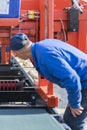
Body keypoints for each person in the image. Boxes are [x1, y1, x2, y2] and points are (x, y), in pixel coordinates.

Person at [7, 33, 87, 130]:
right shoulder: (42, 47)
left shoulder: (46, 56)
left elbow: (72, 79)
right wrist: (73, 99)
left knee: (73, 122)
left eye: (14, 53)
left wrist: (75, 103)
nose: (15, 55)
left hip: (84, 82)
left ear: (19, 52)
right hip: (82, 79)